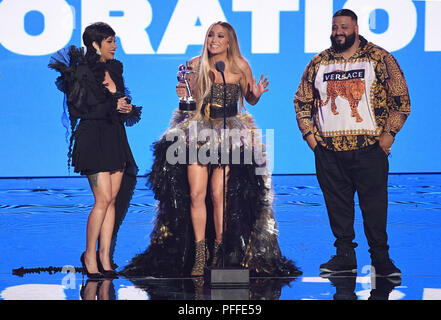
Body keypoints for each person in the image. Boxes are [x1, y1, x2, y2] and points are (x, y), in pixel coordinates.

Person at [122, 21, 301, 278]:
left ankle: (219, 251)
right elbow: (187, 102)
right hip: (198, 132)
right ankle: (199, 254)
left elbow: (249, 99)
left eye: (219, 36)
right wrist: (184, 92)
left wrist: (256, 94)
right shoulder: (195, 65)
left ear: (229, 41)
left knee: (220, 196)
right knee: (196, 194)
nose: (213, 40)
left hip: (229, 134)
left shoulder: (240, 66)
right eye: (210, 35)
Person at [294, 9, 410, 277]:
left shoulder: (380, 58)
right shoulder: (319, 62)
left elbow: (401, 100)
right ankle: (345, 256)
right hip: (329, 152)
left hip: (369, 150)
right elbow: (301, 101)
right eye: (335, 28)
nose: (338, 32)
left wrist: (389, 134)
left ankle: (381, 259)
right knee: (337, 208)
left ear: (356, 28)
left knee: (375, 207)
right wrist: (312, 139)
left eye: (344, 27)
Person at [49, 22, 142, 279]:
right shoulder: (80, 72)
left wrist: (126, 108)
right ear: (95, 44)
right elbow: (81, 110)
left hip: (115, 138)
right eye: (110, 41)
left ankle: (104, 257)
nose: (115, 46)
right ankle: (89, 255)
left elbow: (122, 102)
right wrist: (114, 105)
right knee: (101, 200)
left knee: (112, 200)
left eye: (115, 40)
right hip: (93, 140)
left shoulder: (115, 69)